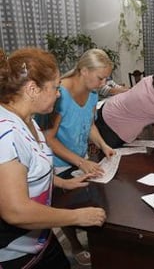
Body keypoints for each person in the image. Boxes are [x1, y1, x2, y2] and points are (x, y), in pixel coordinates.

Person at [0, 47, 106, 268]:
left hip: (40, 237)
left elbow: (30, 169)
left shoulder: (29, 120)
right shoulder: (7, 135)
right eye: (55, 88)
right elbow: (15, 211)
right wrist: (77, 217)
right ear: (32, 89)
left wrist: (62, 182)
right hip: (16, 252)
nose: (59, 94)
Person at [43, 48, 115, 265]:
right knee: (64, 206)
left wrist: (103, 145)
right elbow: (49, 139)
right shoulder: (59, 94)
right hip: (57, 162)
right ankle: (74, 244)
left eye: (106, 78)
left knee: (84, 199)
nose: (103, 83)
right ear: (84, 70)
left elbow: (89, 124)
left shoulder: (92, 93)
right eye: (100, 77)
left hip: (79, 157)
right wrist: (81, 162)